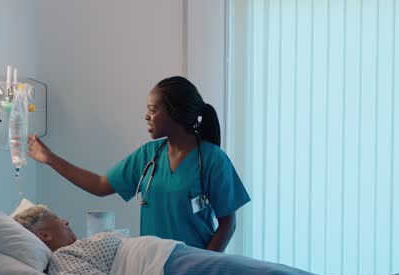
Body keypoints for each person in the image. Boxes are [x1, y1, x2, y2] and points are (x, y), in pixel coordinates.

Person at [13, 205, 399, 275]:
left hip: (180, 256)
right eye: (58, 220)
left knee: (277, 273)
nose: (68, 220)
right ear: (45, 234)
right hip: (176, 271)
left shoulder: (75, 246)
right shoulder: (63, 262)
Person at [27, 76, 250, 252]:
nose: (146, 116)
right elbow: (99, 185)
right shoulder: (148, 155)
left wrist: (205, 264)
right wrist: (50, 159)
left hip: (195, 264)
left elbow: (227, 223)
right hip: (152, 265)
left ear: (176, 113)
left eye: (153, 110)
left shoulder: (213, 160)